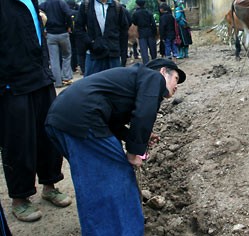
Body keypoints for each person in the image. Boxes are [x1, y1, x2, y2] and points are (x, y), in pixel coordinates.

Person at [45, 58, 186, 236]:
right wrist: (135, 151)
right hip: (83, 119)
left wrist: (132, 136)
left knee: (94, 184)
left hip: (60, 120)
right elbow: (144, 113)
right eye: (176, 78)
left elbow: (114, 123)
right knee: (118, 179)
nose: (177, 85)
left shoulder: (129, 83)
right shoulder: (153, 77)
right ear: (163, 71)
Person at [0, 0, 72, 223]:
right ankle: (20, 197)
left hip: (41, 79)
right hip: (12, 85)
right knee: (18, 141)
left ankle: (50, 186)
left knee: (47, 134)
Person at [74, 0, 128, 76]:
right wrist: (91, 42)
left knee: (115, 84)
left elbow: (123, 30)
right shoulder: (87, 5)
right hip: (94, 53)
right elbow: (78, 28)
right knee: (92, 85)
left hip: (113, 53)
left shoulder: (117, 7)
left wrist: (122, 54)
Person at [39, 0, 74, 88]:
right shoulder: (61, 3)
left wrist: (43, 30)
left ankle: (57, 82)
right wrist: (69, 26)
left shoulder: (43, 5)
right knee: (66, 55)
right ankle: (66, 78)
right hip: (63, 33)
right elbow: (68, 15)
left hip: (50, 35)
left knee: (54, 59)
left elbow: (40, 18)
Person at [132, 0, 158, 64]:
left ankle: (146, 64)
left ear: (137, 4)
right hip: (150, 31)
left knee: (144, 50)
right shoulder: (149, 12)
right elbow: (153, 23)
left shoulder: (136, 13)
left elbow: (134, 22)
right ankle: (154, 61)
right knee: (152, 48)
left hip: (141, 32)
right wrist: (154, 32)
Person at [111, 0, 132, 67]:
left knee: (114, 48)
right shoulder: (124, 9)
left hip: (113, 33)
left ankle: (115, 64)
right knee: (123, 48)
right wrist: (125, 28)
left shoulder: (109, 9)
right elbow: (130, 21)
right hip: (123, 32)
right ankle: (123, 63)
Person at [66, 0, 81, 74]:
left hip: (68, 34)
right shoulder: (77, 13)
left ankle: (72, 66)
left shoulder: (65, 13)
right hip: (77, 34)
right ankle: (78, 65)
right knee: (77, 49)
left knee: (70, 50)